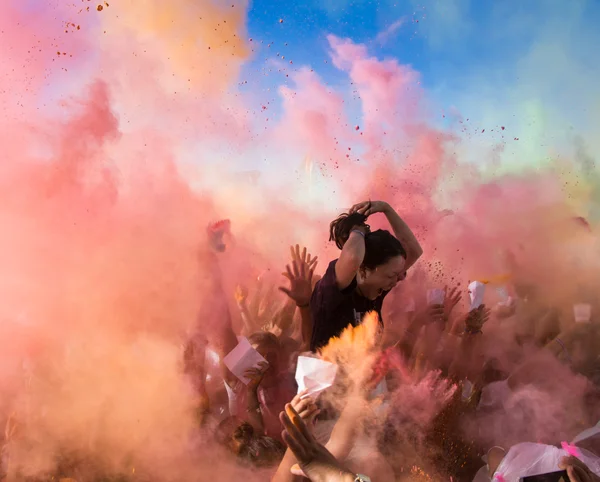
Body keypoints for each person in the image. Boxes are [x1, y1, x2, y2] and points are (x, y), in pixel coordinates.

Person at [310, 200, 423, 352]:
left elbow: (414, 251)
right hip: (326, 374)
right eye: (391, 275)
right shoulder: (336, 288)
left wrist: (386, 208)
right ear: (363, 270)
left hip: (361, 374)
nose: (399, 279)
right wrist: (357, 230)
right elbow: (353, 258)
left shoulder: (377, 289)